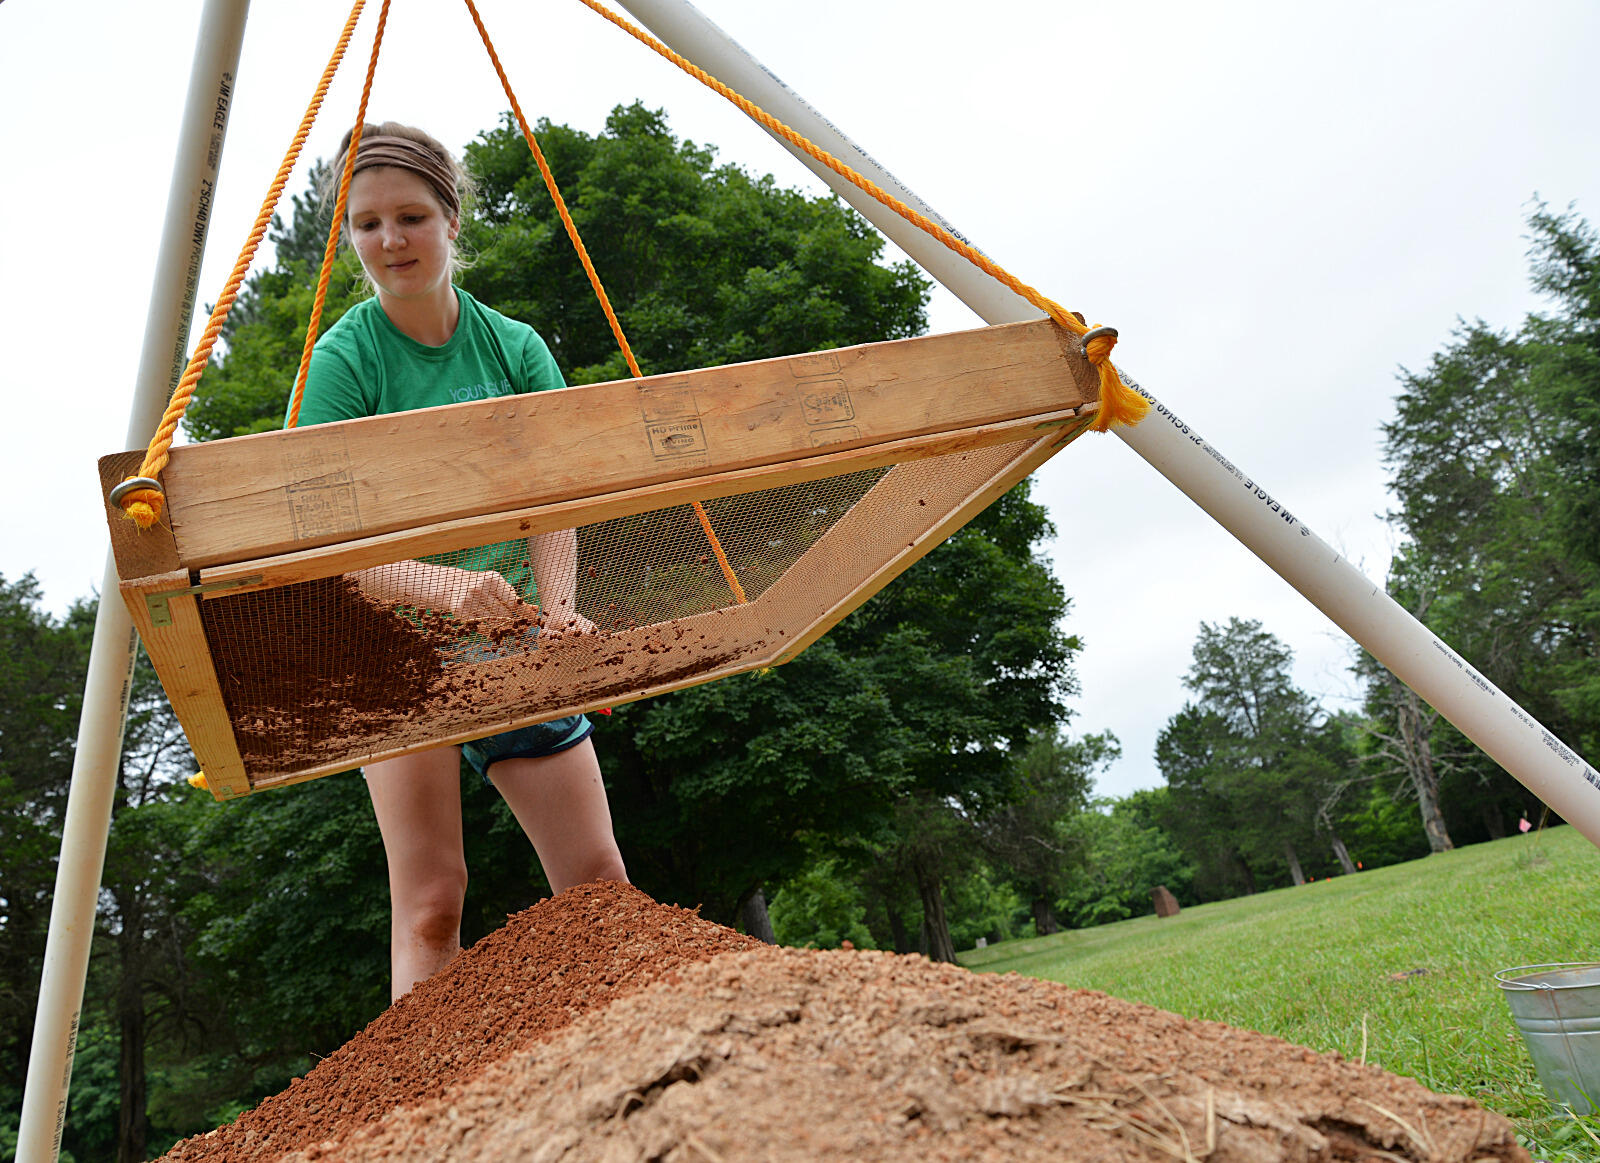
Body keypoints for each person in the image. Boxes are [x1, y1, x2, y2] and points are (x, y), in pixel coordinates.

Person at [292, 122, 628, 1001]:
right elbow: (324, 542)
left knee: (601, 884)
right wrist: (438, 586)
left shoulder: (514, 348)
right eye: (367, 223)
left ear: (450, 217)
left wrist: (556, 607)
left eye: (409, 216)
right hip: (390, 648)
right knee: (434, 903)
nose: (390, 240)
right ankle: (419, 1120)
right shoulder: (344, 360)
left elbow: (554, 496)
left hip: (509, 633)